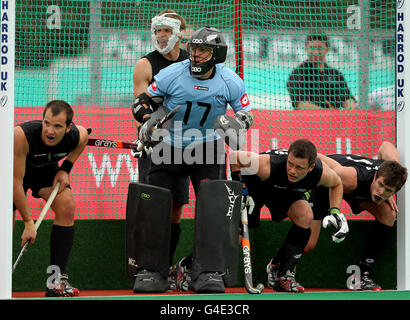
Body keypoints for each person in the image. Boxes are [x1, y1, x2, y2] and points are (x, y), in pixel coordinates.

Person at [130, 26, 253, 293]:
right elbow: (142, 102)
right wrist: (146, 122)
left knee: (213, 211)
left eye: (203, 50)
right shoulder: (171, 73)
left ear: (216, 54)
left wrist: (233, 123)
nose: (195, 55)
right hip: (168, 147)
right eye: (194, 48)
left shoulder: (231, 80)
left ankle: (207, 271)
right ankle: (153, 270)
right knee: (155, 209)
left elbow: (246, 114)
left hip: (207, 148)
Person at [229, 139, 344, 292]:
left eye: (299, 167)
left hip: (285, 193)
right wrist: (241, 191)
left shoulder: (320, 173)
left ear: (310, 167)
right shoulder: (268, 165)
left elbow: (337, 184)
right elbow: (234, 158)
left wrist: (335, 211)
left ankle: (283, 274)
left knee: (305, 215)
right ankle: (192, 266)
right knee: (234, 237)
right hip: (256, 189)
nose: (292, 170)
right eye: (290, 163)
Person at [131, 10, 190, 281]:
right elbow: (140, 107)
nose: (161, 35)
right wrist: (149, 135)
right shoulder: (145, 65)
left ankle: (164, 266)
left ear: (180, 32)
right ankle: (148, 267)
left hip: (188, 145)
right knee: (155, 205)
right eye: (157, 31)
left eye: (166, 30)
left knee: (176, 207)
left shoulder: (193, 62)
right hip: (157, 145)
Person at [304, 141, 407, 290]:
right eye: (380, 185)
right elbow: (316, 157)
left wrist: (386, 189)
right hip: (329, 184)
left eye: (389, 190)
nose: (382, 192)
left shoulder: (393, 171)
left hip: (359, 192)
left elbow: (386, 145)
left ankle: (361, 275)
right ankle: (278, 266)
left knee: (389, 213)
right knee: (309, 244)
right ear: (375, 177)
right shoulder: (349, 176)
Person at [13, 100, 89, 297]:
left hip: (45, 169)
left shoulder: (74, 135)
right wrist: (29, 223)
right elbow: (15, 182)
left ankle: (55, 281)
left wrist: (66, 168)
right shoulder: (22, 136)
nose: (50, 131)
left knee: (67, 207)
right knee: (6, 224)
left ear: (67, 127)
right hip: (13, 173)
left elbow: (84, 136)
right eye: (46, 123)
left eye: (57, 126)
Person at [287, 33, 357, 110]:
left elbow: (347, 98)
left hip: (333, 120)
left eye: (320, 48)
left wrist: (351, 108)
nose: (316, 52)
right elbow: (301, 104)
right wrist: (327, 115)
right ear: (306, 49)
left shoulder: (336, 75)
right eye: (312, 48)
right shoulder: (298, 74)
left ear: (327, 49)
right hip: (308, 120)